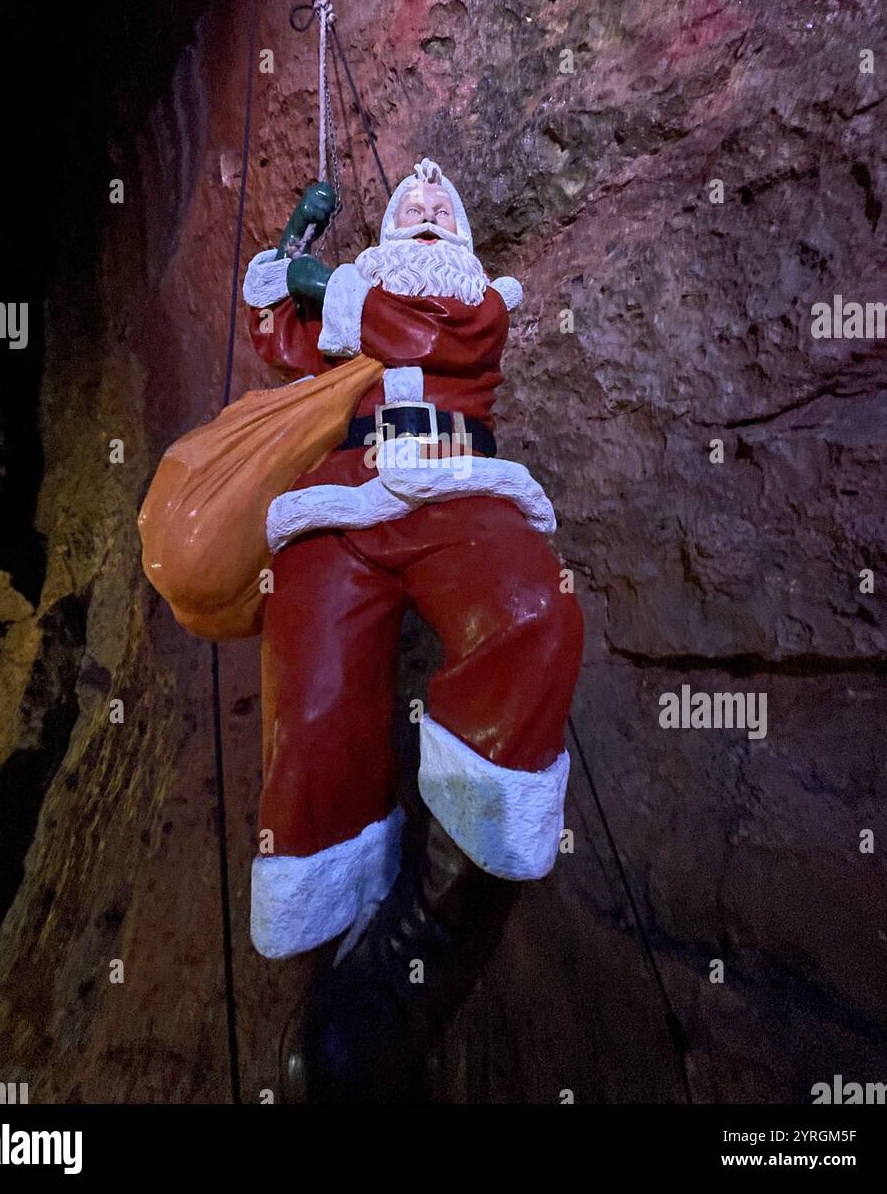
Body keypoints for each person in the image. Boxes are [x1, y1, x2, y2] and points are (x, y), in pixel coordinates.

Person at [243, 157, 584, 1101]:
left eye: (441, 202)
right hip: (348, 496)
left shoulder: (476, 295)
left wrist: (325, 280)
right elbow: (281, 332)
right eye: (409, 200)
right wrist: (295, 245)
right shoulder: (357, 287)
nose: (426, 204)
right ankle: (333, 893)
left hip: (455, 483)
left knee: (532, 614)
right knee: (309, 696)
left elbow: (411, 322)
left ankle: (432, 918)